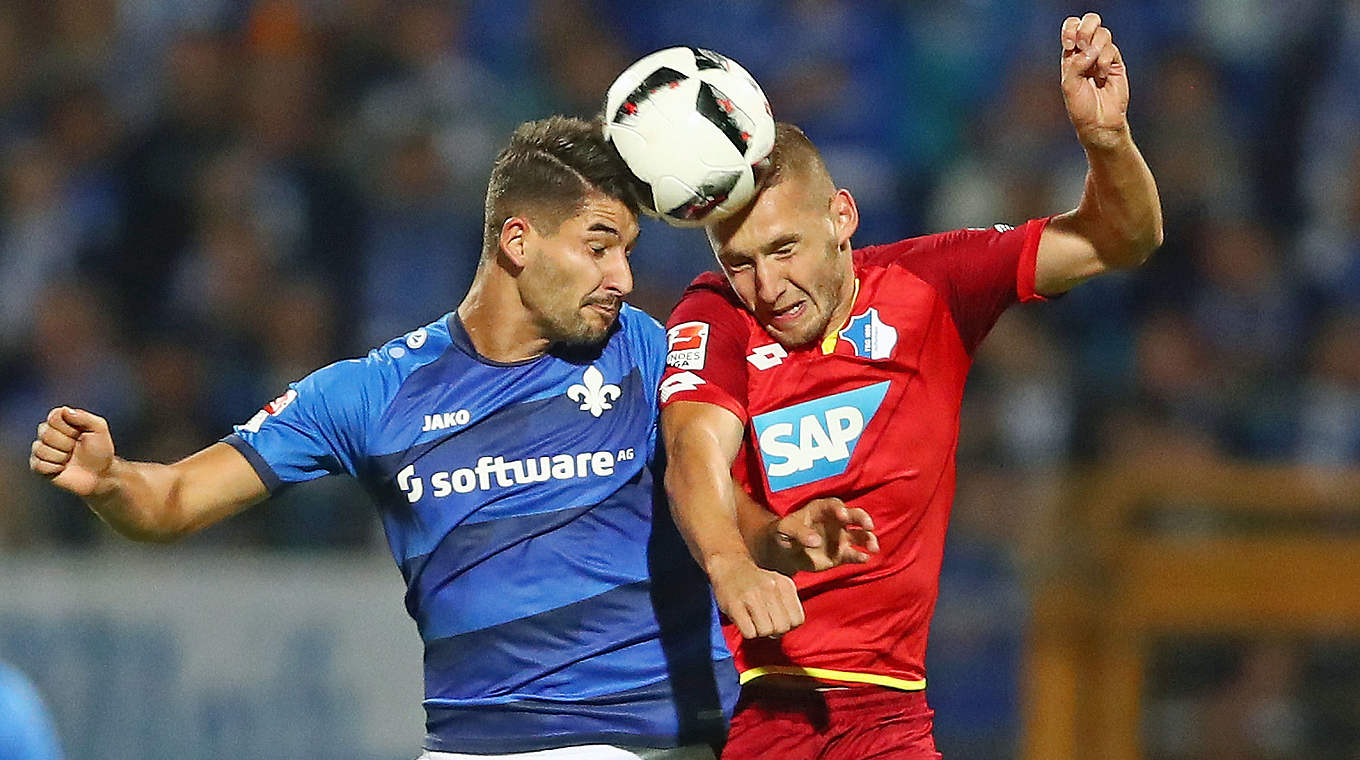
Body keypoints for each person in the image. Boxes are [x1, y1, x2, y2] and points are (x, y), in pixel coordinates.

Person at [28, 116, 738, 759]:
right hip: (476, 745)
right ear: (519, 241)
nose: (622, 276)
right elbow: (174, 498)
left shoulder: (647, 351)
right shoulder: (372, 394)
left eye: (628, 250)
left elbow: (727, 478)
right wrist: (113, 479)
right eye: (599, 247)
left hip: (661, 738)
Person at [658, 14, 1162, 759]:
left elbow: (1124, 238)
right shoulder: (715, 313)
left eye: (784, 249)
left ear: (843, 217)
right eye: (741, 261)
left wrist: (1107, 142)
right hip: (755, 704)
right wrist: (740, 559)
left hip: (891, 714)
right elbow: (692, 451)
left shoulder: (932, 284)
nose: (766, 284)